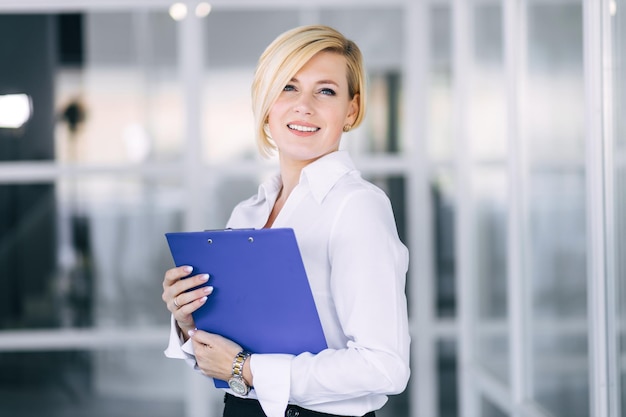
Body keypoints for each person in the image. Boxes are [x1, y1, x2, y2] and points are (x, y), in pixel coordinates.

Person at [162, 24, 410, 417]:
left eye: (325, 90)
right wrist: (189, 318)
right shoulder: (248, 213)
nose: (304, 105)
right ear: (265, 103)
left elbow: (385, 366)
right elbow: (229, 356)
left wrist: (248, 368)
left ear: (352, 109)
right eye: (287, 87)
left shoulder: (358, 207)